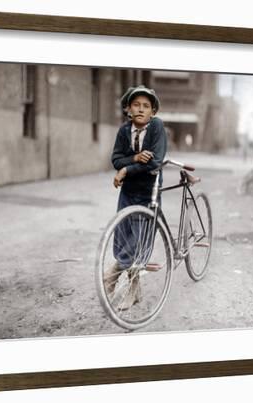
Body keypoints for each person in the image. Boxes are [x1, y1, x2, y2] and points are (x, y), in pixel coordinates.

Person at [104, 85, 167, 310]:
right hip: (128, 191)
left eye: (146, 106)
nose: (140, 109)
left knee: (139, 241)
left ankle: (114, 272)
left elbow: (155, 162)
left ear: (153, 112)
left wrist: (126, 170)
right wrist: (135, 158)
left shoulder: (157, 127)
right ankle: (134, 289)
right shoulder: (124, 131)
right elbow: (116, 159)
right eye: (136, 105)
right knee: (123, 234)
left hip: (147, 191)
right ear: (128, 109)